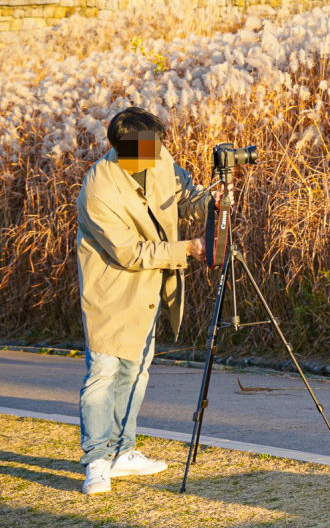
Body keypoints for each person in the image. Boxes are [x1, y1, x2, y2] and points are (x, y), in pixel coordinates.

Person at [76, 107, 214, 494]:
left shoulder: (157, 156)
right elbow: (130, 253)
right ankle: (97, 461)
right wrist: (187, 248)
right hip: (112, 293)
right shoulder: (99, 189)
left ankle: (123, 453)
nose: (159, 152)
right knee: (104, 374)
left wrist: (214, 198)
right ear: (123, 150)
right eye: (150, 147)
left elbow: (183, 198)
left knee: (136, 371)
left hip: (149, 290)